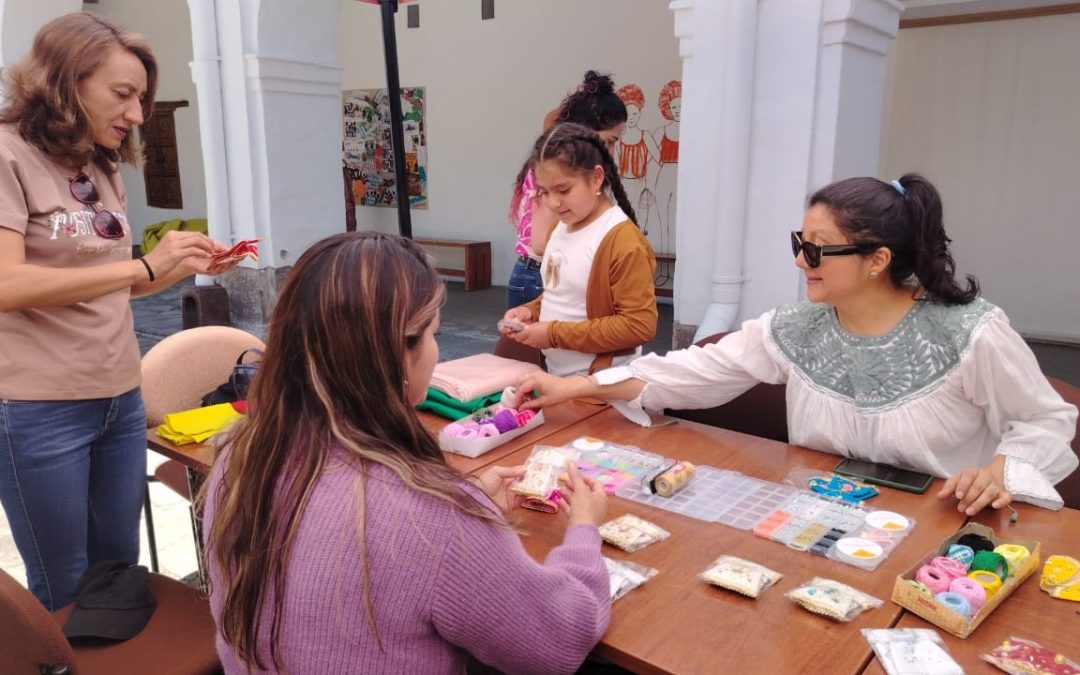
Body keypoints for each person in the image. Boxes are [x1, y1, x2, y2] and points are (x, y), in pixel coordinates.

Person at [514, 174, 1079, 512]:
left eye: (817, 249)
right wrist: (576, 384)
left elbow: (1048, 422)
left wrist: (1000, 472)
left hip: (938, 533)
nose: (799, 261)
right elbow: (698, 370)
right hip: (824, 522)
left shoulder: (968, 333)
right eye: (798, 242)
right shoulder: (796, 328)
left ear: (877, 260)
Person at [202, 232, 610, 674]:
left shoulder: (239, 457)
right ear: (400, 353)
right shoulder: (433, 517)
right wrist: (584, 531)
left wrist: (470, 511)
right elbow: (559, 641)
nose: (437, 350)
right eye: (433, 333)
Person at [0, 12, 238, 610]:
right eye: (123, 94)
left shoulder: (98, 168)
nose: (137, 114)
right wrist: (144, 267)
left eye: (142, 97)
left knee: (117, 570)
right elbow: (6, 284)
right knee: (64, 584)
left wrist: (174, 267)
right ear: (64, 83)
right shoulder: (8, 156)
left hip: (118, 398)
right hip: (38, 406)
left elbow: (102, 284)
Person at [501, 122, 658, 376]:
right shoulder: (563, 226)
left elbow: (639, 325)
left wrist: (552, 334)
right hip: (559, 379)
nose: (553, 202)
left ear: (596, 178)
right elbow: (565, 296)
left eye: (563, 189)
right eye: (544, 191)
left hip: (602, 387)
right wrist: (530, 311)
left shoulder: (621, 240)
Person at [507, 71, 628, 309]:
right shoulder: (553, 172)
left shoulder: (575, 172)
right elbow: (541, 243)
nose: (611, 150)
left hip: (549, 274)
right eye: (609, 141)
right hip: (538, 278)